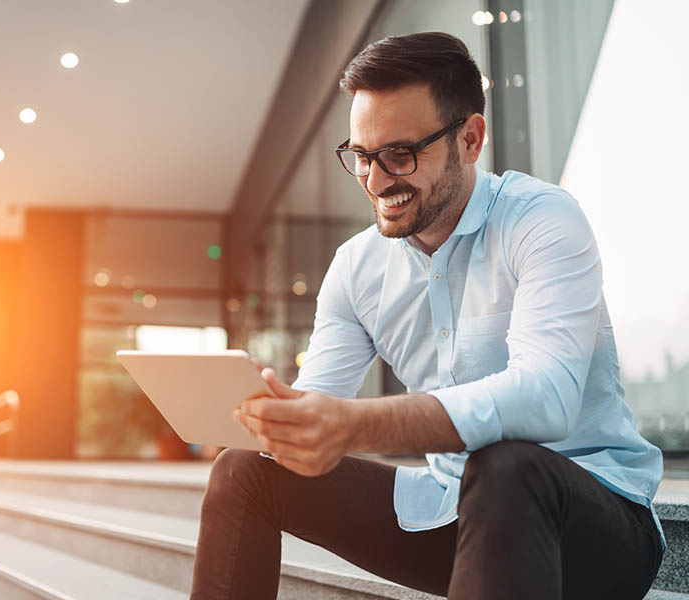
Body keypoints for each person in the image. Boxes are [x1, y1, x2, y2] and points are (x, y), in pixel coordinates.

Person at [190, 32, 665, 600]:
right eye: (362, 156)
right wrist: (277, 423)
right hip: (451, 512)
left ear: (469, 138)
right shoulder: (357, 267)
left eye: (399, 154)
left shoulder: (541, 220)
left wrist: (355, 423)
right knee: (244, 472)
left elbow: (546, 398)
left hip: (595, 524)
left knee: (507, 464)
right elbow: (316, 402)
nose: (375, 179)